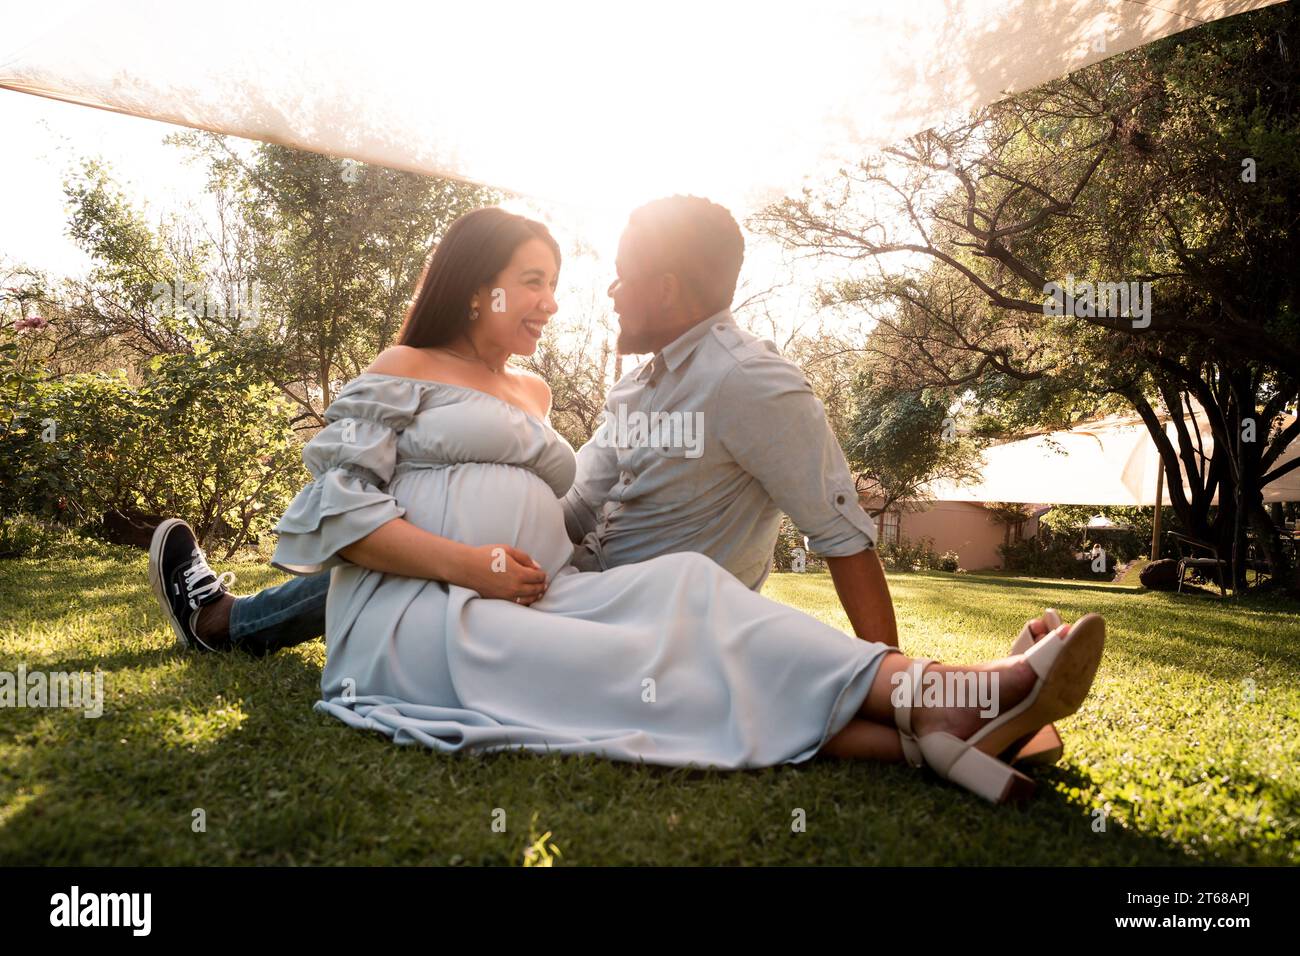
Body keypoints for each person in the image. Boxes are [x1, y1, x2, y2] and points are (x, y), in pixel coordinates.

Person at [150, 205, 1103, 802]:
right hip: (485, 598)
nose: (574, 301)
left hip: (574, 592)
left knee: (690, 601)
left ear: (671, 286)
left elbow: (839, 531)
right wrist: (474, 553)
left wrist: (504, 555)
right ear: (475, 286)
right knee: (675, 646)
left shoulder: (720, 385)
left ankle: (940, 719)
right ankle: (956, 704)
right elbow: (353, 510)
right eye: (539, 283)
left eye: (583, 279)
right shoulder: (528, 381)